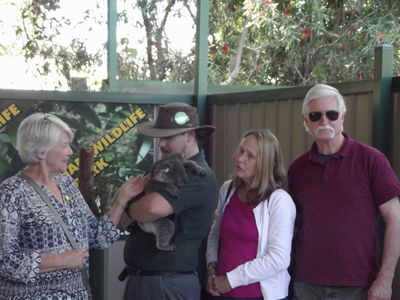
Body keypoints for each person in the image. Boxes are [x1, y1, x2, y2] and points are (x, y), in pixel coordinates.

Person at [0, 112, 143, 299]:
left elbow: (98, 236)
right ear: (41, 151)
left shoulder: (66, 183)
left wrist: (122, 199)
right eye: (65, 146)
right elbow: (5, 260)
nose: (70, 152)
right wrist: (61, 260)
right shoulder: (11, 192)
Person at [288, 84, 400, 300]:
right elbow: (289, 226)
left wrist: (385, 279)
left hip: (359, 285)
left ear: (342, 117)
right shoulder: (297, 169)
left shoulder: (371, 160)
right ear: (305, 121)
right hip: (306, 284)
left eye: (331, 114)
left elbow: (395, 218)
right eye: (315, 115)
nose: (324, 121)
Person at [119, 102, 218, 300]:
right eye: (159, 137)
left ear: (189, 135)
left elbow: (153, 208)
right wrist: (131, 209)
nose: (161, 144)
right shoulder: (162, 166)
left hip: (167, 282)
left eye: (168, 137)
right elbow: (122, 220)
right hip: (141, 279)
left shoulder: (199, 175)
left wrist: (127, 205)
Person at [206, 129, 296, 300]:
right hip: (223, 292)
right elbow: (215, 235)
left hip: (260, 295)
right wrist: (211, 268)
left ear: (270, 163)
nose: (240, 159)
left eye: (250, 156)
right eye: (241, 151)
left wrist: (231, 279)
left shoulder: (279, 200)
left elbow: (279, 258)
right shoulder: (227, 189)